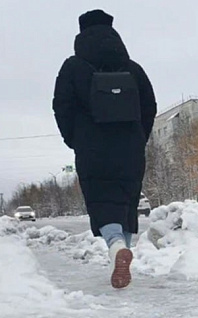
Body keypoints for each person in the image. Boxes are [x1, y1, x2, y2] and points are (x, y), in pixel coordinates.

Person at [52, 9, 156, 289]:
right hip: (130, 147)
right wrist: (138, 137)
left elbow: (61, 106)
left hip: (92, 146)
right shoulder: (133, 68)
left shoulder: (73, 67)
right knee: (125, 202)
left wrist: (75, 139)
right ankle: (120, 252)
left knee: (102, 201)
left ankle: (115, 249)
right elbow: (150, 106)